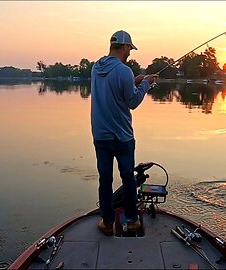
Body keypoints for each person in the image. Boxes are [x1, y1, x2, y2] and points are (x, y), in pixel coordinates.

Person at [90, 30, 157, 236]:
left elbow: (113, 88)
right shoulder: (124, 71)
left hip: (101, 136)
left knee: (105, 179)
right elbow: (132, 102)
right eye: (130, 49)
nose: (130, 53)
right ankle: (132, 221)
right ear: (126, 46)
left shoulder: (96, 67)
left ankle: (107, 222)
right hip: (122, 137)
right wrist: (146, 83)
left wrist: (134, 82)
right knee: (128, 177)